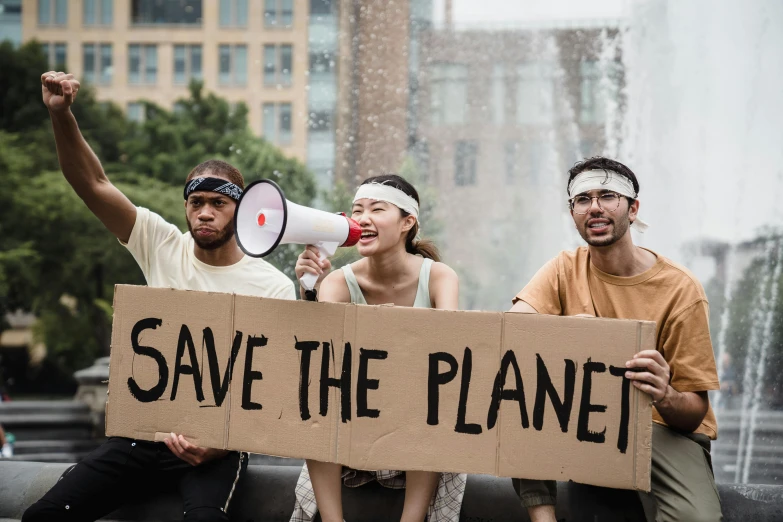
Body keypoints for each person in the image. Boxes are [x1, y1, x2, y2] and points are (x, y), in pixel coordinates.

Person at [23, 71, 295, 522]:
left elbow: (273, 387)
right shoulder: (161, 242)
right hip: (140, 434)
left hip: (215, 448)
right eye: (196, 202)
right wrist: (62, 115)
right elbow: (92, 183)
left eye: (218, 203)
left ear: (242, 209)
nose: (204, 212)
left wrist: (222, 443)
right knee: (44, 515)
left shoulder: (271, 286)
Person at [511, 157, 722, 522]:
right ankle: (542, 517)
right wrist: (563, 334)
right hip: (579, 421)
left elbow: (694, 413)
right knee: (517, 389)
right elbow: (512, 335)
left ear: (633, 208)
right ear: (573, 212)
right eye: (582, 199)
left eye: (607, 195)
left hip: (657, 427)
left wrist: (665, 393)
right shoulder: (564, 266)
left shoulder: (681, 289)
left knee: (697, 518)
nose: (594, 207)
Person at [290, 175, 464, 522]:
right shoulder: (338, 281)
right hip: (356, 420)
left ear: (407, 223)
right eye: (357, 211)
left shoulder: (440, 277)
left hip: (414, 421)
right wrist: (311, 288)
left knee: (431, 404)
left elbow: (447, 345)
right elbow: (325, 360)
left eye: (376, 209)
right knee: (319, 403)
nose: (362, 218)